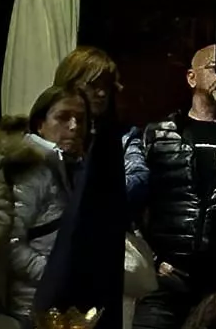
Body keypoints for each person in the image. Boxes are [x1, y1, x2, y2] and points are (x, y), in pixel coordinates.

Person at [0, 84, 89, 329]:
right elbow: (10, 242)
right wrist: (52, 274)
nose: (74, 127)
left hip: (60, 303)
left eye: (81, 120)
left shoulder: (73, 167)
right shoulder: (33, 170)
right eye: (63, 117)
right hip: (31, 304)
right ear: (40, 124)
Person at [134, 44, 216, 329]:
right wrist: (152, 260)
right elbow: (131, 205)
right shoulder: (159, 135)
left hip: (215, 283)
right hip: (167, 278)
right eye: (215, 67)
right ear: (191, 77)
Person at [53, 45, 148, 210]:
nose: (102, 93)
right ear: (70, 83)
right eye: (93, 85)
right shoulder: (48, 124)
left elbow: (138, 180)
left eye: (107, 86)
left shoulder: (123, 136)